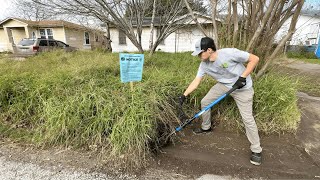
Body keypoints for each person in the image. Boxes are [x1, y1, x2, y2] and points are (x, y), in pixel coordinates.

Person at [178, 37, 262, 166]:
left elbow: (254, 59)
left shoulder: (229, 53)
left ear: (209, 50)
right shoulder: (204, 64)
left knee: (247, 118)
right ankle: (206, 127)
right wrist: (184, 95)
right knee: (205, 102)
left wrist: (243, 77)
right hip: (224, 86)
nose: (199, 56)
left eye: (200, 53)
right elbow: (196, 81)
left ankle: (256, 150)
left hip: (242, 88)